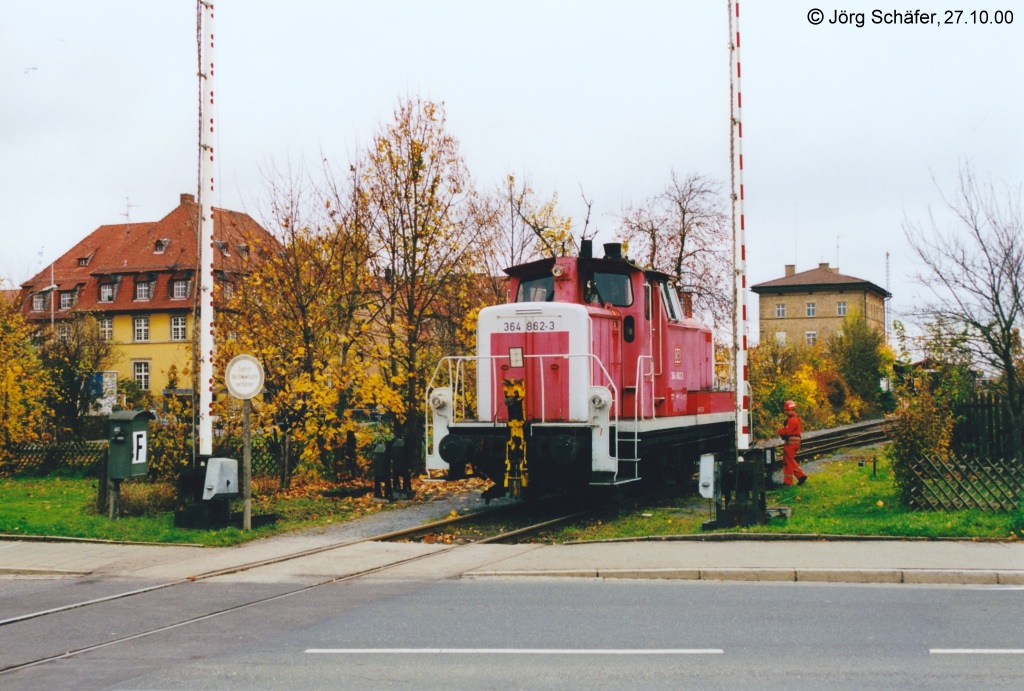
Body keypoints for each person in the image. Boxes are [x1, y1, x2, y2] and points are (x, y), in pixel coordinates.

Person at [778, 400, 807, 486]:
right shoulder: (795, 418)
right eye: (785, 410)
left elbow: (787, 432)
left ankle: (788, 482)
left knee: (787, 462)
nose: (786, 412)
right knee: (790, 460)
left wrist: (779, 431)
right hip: (794, 442)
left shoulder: (792, 420)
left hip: (791, 443)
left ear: (792, 410)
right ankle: (801, 476)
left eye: (787, 410)